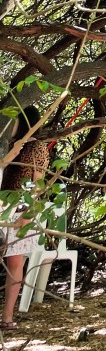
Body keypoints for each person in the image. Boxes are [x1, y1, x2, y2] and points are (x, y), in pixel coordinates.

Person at [1, 107, 50, 331]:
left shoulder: (36, 147)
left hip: (20, 209)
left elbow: (37, 185)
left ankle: (7, 317)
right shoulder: (8, 145)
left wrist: (28, 213)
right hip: (3, 206)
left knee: (15, 262)